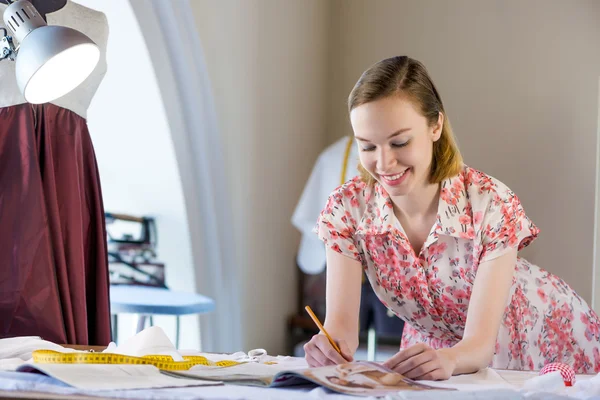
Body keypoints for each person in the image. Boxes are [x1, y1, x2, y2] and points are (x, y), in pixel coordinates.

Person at [303, 56, 600, 379]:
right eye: (368, 146)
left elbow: (479, 345)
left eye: (399, 142)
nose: (384, 163)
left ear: (436, 126)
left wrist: (451, 359)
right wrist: (329, 346)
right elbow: (341, 329)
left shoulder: (490, 202)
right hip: (435, 354)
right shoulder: (347, 210)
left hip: (540, 339)